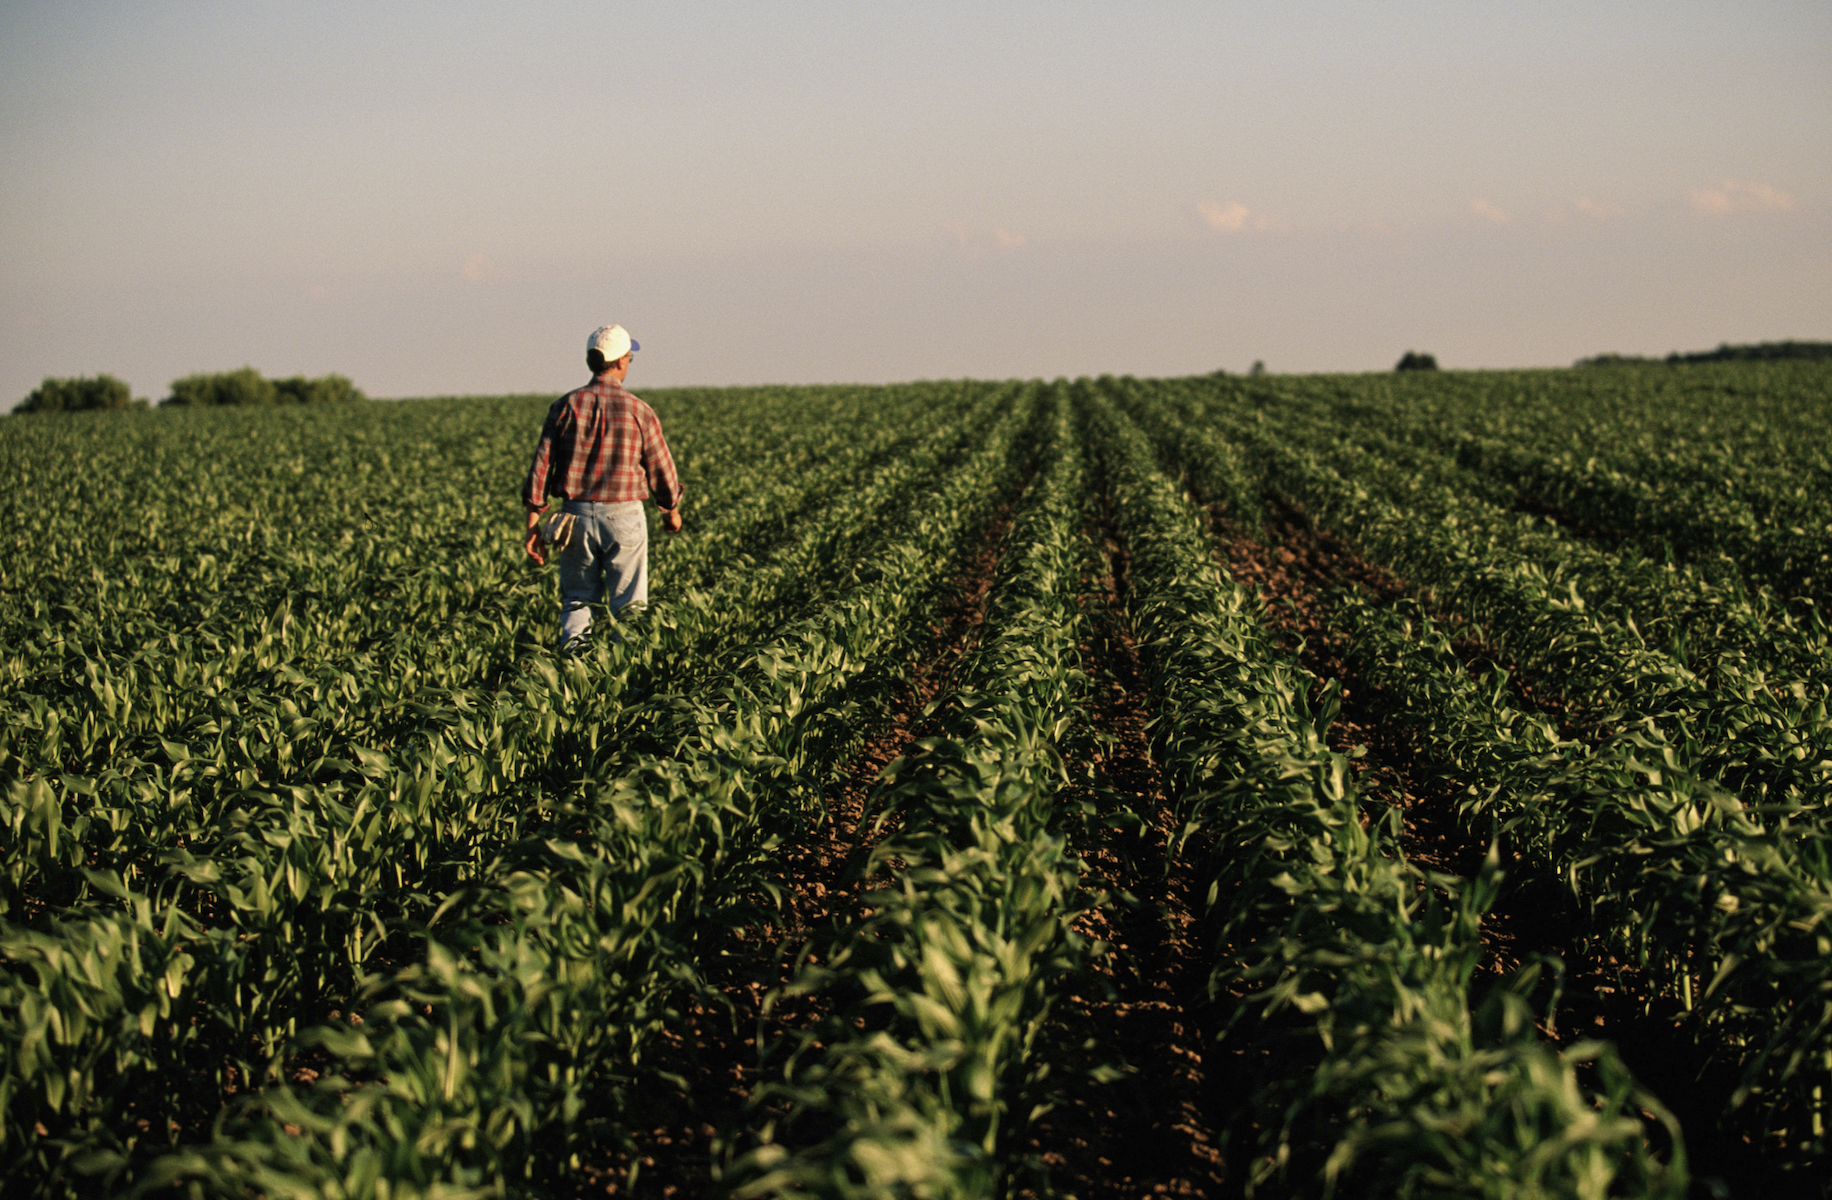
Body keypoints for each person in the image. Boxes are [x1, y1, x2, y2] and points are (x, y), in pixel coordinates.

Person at [522, 324, 684, 648]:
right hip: (624, 517)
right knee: (629, 607)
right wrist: (670, 511)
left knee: (577, 601)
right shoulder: (639, 410)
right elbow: (661, 468)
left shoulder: (564, 406)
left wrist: (532, 527)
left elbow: (541, 467)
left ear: (590, 361)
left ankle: (573, 673)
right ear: (622, 362)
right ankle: (623, 678)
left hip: (574, 518)